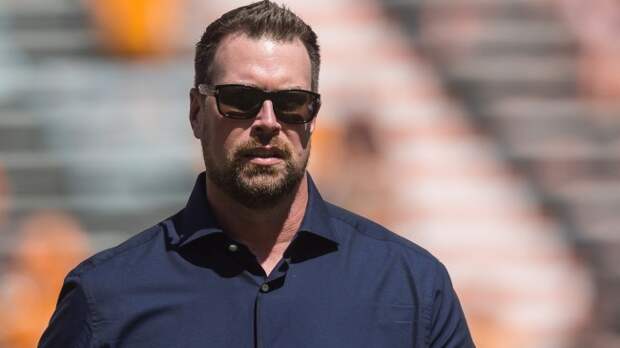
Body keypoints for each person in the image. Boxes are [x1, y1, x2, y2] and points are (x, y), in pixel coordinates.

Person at [39, 1, 474, 347]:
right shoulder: (106, 297)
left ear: (312, 117)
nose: (268, 121)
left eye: (291, 102)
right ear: (195, 112)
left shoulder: (414, 288)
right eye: (240, 99)